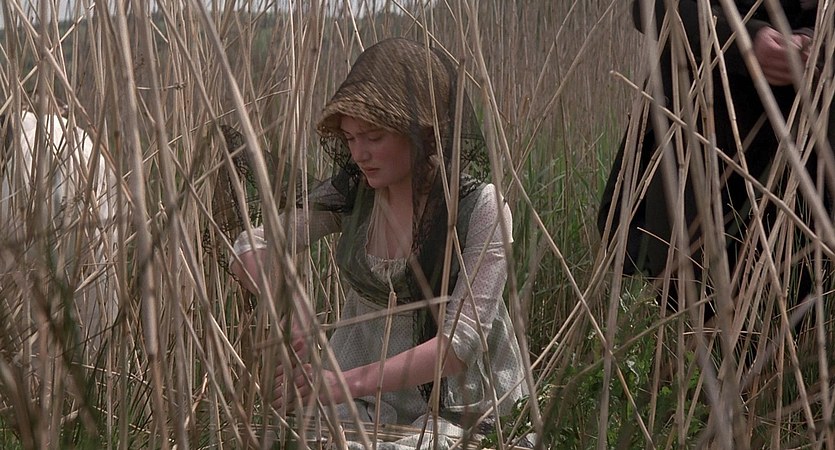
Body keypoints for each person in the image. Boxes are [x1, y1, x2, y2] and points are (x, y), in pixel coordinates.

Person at [230, 38, 529, 440]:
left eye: (373, 137)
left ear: (422, 134)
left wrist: (342, 383)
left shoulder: (480, 208)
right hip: (363, 395)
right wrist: (289, 301)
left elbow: (459, 346)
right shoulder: (355, 196)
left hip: (456, 404)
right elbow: (250, 245)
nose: (359, 155)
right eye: (350, 139)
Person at [597, 0, 832, 322]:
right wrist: (741, 39)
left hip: (805, 152)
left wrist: (813, 45)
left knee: (796, 306)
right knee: (688, 306)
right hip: (699, 140)